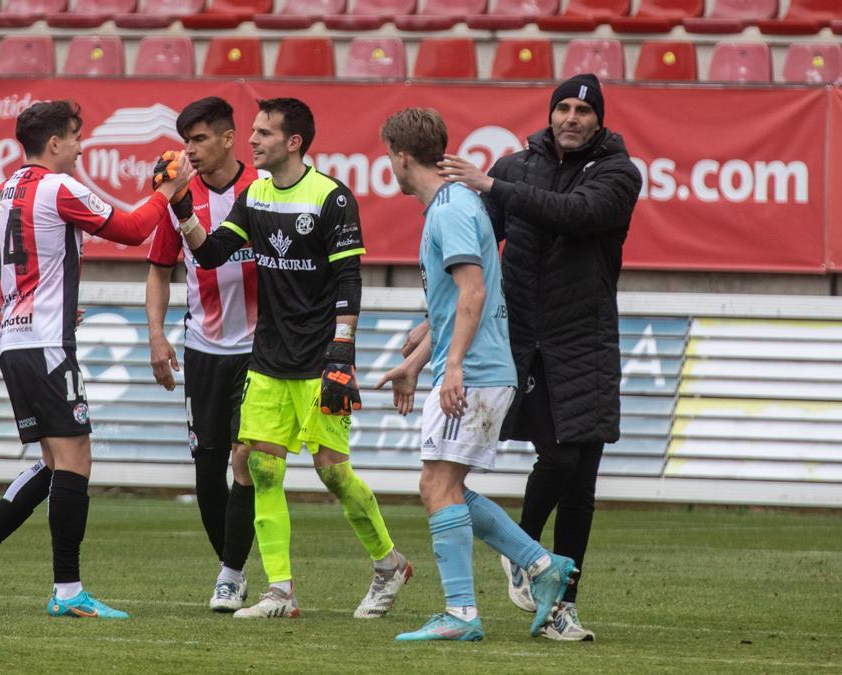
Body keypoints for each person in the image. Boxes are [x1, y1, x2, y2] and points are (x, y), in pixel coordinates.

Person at [0, 100, 193, 620]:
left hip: (11, 343)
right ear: (54, 144)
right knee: (76, 459)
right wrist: (166, 191)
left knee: (54, 462)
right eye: (76, 138)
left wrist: (48, 297)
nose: (81, 148)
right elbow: (130, 230)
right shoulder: (58, 186)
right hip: (46, 344)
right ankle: (67, 592)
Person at [178, 97, 409, 620]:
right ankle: (279, 591)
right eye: (253, 131)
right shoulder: (255, 194)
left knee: (332, 474)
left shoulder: (332, 198)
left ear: (293, 142)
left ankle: (388, 563)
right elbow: (211, 253)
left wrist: (342, 355)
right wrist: (180, 208)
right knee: (262, 469)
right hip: (267, 361)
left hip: (320, 361)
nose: (252, 140)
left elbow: (350, 281)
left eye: (263, 133)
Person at [438, 73, 642, 641]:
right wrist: (432, 323)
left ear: (599, 120)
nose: (571, 118)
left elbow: (573, 214)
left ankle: (558, 607)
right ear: (550, 114)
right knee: (558, 459)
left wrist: (492, 186)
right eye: (563, 108)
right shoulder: (512, 167)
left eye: (583, 110)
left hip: (587, 341)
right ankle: (525, 548)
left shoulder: (620, 174)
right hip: (523, 339)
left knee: (582, 485)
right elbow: (479, 248)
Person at [374, 108, 577, 643]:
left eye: (388, 156)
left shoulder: (451, 210)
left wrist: (455, 366)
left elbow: (475, 293)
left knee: (436, 484)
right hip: (476, 366)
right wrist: (417, 363)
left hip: (477, 371)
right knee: (449, 487)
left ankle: (462, 614)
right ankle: (541, 566)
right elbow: (455, 305)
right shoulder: (451, 205)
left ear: (400, 155)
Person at [145, 97, 258, 612]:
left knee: (245, 458)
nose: (189, 151)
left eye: (200, 140)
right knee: (207, 471)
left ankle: (231, 575)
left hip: (260, 351)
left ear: (229, 138)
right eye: (186, 141)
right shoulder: (177, 198)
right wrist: (156, 333)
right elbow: (158, 270)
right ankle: (232, 567)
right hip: (204, 350)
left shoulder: (263, 189)